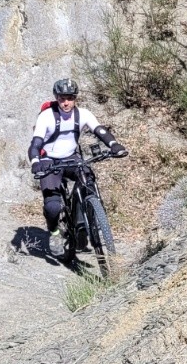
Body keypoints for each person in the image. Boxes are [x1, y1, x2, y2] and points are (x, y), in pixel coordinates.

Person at [28, 77, 127, 257]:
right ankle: (55, 233)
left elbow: (100, 130)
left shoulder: (83, 114)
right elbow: (35, 144)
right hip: (49, 161)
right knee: (52, 207)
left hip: (72, 157)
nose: (66, 103)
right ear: (56, 98)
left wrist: (114, 145)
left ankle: (84, 220)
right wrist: (35, 162)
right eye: (62, 98)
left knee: (88, 180)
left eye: (70, 98)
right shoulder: (47, 117)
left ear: (75, 98)